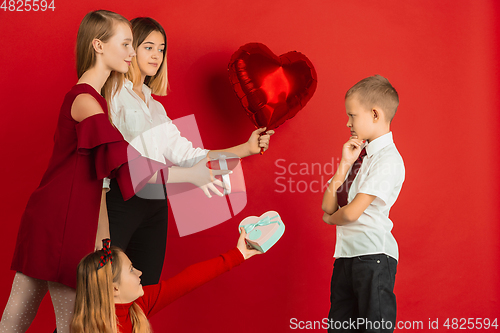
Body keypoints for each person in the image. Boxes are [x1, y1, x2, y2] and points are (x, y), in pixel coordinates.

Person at [0, 10, 226, 333]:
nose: (133, 53)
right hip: (60, 224)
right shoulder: (84, 101)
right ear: (98, 46)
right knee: (62, 325)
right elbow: (126, 165)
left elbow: (101, 184)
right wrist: (190, 176)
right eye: (127, 44)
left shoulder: (98, 102)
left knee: (22, 320)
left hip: (65, 220)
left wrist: (105, 243)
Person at [105, 16, 274, 286]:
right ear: (130, 47)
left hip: (156, 203)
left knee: (144, 289)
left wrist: (246, 148)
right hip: (119, 200)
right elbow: (116, 159)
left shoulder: (156, 108)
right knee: (99, 291)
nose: (157, 56)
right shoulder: (111, 94)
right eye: (148, 47)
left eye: (161, 49)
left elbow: (190, 155)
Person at [321, 75, 405, 332]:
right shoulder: (362, 156)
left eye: (352, 115)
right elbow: (328, 206)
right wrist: (345, 163)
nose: (347, 122)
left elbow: (349, 214)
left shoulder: (387, 160)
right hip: (347, 255)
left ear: (375, 114)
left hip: (373, 258)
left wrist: (331, 219)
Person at [71, 228, 260, 333]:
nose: (139, 272)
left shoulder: (138, 305)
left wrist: (238, 255)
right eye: (130, 270)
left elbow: (186, 280)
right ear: (114, 289)